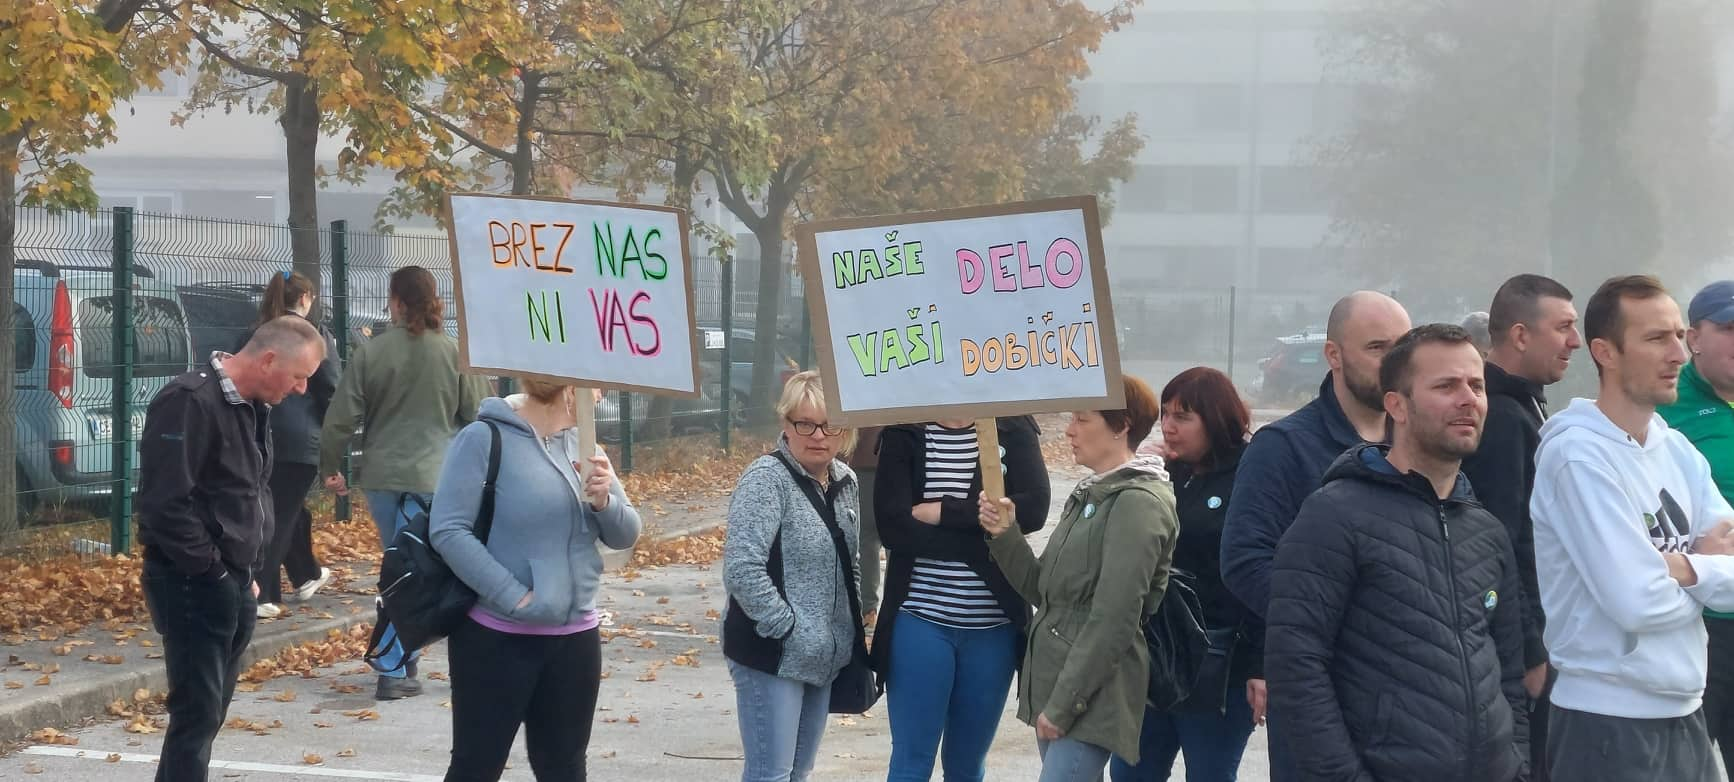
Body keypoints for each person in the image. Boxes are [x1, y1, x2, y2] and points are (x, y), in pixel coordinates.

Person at [1266, 324, 1529, 782]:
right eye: (1446, 386)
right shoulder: (1334, 516)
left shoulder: (1486, 530)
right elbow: (1296, 668)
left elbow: (1509, 673)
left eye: (1477, 385)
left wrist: (1517, 766)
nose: (1468, 399)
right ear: (1397, 405)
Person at [1531, 275, 1734, 780]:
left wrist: (1680, 567)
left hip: (1686, 709)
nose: (1678, 355)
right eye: (1655, 339)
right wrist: (1707, 567)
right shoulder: (1576, 455)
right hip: (1606, 723)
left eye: (1677, 335)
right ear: (1606, 352)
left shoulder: (1678, 451)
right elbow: (1636, 602)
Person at [1219, 290, 1410, 780]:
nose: (1394, 362)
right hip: (1318, 696)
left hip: (1411, 699)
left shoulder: (1421, 444)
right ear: (1333, 355)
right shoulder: (1283, 447)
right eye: (1377, 347)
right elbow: (1244, 560)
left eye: (1403, 347)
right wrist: (1333, 622)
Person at [137, 316, 326, 782]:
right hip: (191, 581)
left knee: (207, 715)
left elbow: (246, 490)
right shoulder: (189, 402)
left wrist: (245, 572)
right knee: (196, 715)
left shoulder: (253, 404)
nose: (302, 389)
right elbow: (164, 505)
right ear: (267, 359)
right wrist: (214, 572)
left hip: (235, 578)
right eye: (299, 376)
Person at [429, 379, 640, 781]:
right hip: (497, 638)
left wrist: (604, 501)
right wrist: (514, 597)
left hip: (575, 638)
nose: (602, 397)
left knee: (564, 768)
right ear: (568, 390)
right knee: (477, 767)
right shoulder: (483, 439)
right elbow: (449, 530)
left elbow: (626, 534)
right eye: (596, 388)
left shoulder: (586, 446)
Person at [979, 376, 1178, 782]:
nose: (1069, 430)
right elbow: (1044, 590)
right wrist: (1005, 534)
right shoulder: (1091, 495)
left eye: (1082, 419)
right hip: (1058, 685)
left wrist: (1066, 703)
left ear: (1121, 425)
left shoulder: (1138, 504)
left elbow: (1115, 617)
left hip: (1090, 696)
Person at [320, 265, 490, 700]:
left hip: (382, 478)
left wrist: (329, 466)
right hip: (436, 479)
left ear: (396, 301)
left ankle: (401, 660)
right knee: (418, 571)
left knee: (403, 568)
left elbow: (340, 419)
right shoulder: (455, 353)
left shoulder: (371, 353)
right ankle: (394, 666)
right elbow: (477, 416)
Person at [873, 416, 1051, 782]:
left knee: (967, 764)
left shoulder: (1012, 427)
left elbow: (1033, 510)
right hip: (920, 618)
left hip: (995, 628)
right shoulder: (905, 430)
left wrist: (943, 511)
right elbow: (893, 527)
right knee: (911, 761)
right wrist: (990, 536)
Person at [1111, 368, 1261, 782]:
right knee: (1130, 772)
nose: (1170, 428)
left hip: (1219, 661)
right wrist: (1140, 475)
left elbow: (1267, 574)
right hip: (1156, 654)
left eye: (1183, 417)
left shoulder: (1250, 475)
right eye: (1165, 415)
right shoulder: (1167, 473)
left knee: (1210, 773)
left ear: (1216, 419)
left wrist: (1260, 664)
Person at [1458, 274, 1580, 780]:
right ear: (1520, 335)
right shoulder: (1503, 417)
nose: (1575, 341)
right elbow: (1503, 542)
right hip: (1519, 649)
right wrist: (1529, 649)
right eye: (1564, 328)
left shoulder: (1524, 404)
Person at [722, 371, 862, 782]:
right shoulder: (766, 480)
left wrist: (846, 631)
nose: (817, 435)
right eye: (805, 423)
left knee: (798, 773)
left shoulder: (846, 481)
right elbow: (742, 568)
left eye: (828, 425)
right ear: (786, 424)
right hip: (773, 655)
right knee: (771, 774)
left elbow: (850, 562)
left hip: (824, 657)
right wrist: (789, 628)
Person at [1661, 280, 1734, 774]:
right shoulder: (1666, 406)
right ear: (1694, 337)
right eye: (1729, 329)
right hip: (1701, 623)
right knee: (1683, 766)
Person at [246, 271, 338, 620]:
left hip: (261, 432)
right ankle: (263, 591)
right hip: (301, 437)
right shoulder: (314, 338)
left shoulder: (258, 332)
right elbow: (330, 387)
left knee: (284, 509)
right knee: (281, 515)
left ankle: (306, 574)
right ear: (304, 299)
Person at [849, 425, 886, 625]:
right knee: (892, 539)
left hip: (862, 459)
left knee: (866, 539)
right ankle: (886, 610)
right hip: (896, 456)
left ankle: (868, 611)